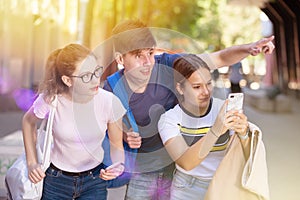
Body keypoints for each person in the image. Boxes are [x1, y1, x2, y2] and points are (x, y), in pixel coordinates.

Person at [101, 19, 274, 200]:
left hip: (178, 166)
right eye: (138, 55)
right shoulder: (113, 88)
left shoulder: (167, 64)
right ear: (120, 59)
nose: (148, 62)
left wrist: (250, 48)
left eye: (151, 52)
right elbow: (114, 132)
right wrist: (125, 134)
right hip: (143, 169)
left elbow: (219, 58)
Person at [22, 43, 126, 199]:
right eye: (86, 76)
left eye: (96, 71)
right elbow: (28, 122)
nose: (95, 80)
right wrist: (31, 163)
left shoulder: (109, 102)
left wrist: (118, 165)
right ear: (67, 80)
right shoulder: (51, 100)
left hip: (94, 181)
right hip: (55, 181)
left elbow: (117, 145)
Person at [158, 54, 254, 199]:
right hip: (186, 189)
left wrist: (244, 134)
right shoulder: (169, 119)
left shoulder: (223, 108)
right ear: (180, 88)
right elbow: (186, 162)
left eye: (208, 83)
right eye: (197, 87)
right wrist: (216, 130)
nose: (206, 92)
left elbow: (246, 155)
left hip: (223, 184)